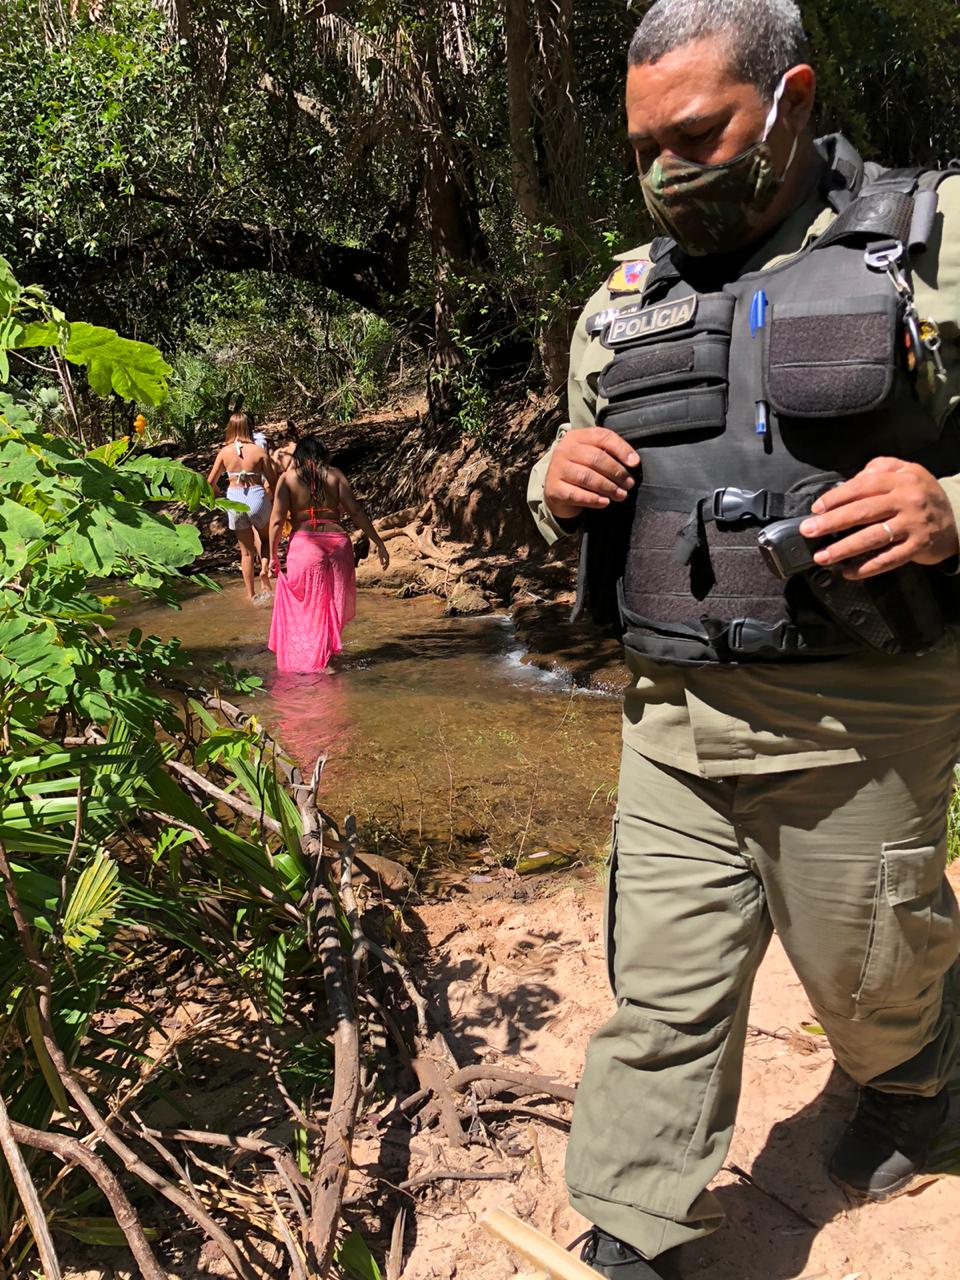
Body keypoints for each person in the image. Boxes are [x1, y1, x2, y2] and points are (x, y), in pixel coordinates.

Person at [527, 3, 960, 1276]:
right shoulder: (624, 296)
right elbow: (563, 469)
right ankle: (634, 1219)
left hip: (861, 711)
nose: (670, 171)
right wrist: (550, 481)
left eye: (699, 133)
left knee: (873, 973)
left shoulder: (935, 246)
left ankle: (917, 1081)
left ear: (793, 97)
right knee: (661, 991)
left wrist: (948, 509)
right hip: (670, 716)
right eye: (644, 147)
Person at [267, 436, 389, 672]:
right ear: (323, 454)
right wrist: (378, 542)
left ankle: (317, 660)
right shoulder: (335, 476)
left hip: (305, 546)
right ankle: (328, 657)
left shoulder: (287, 479)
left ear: (299, 457)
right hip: (338, 545)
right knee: (334, 602)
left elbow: (276, 520)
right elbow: (355, 510)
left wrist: (272, 554)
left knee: (310, 604)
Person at [207, 412, 277, 603]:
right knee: (264, 539)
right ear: (248, 428)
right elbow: (273, 480)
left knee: (245, 553)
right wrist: (271, 497)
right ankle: (264, 573)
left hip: (234, 500)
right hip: (257, 496)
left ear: (229, 429)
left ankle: (250, 595)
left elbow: (210, 482)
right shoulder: (258, 451)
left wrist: (219, 495)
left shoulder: (224, 452)